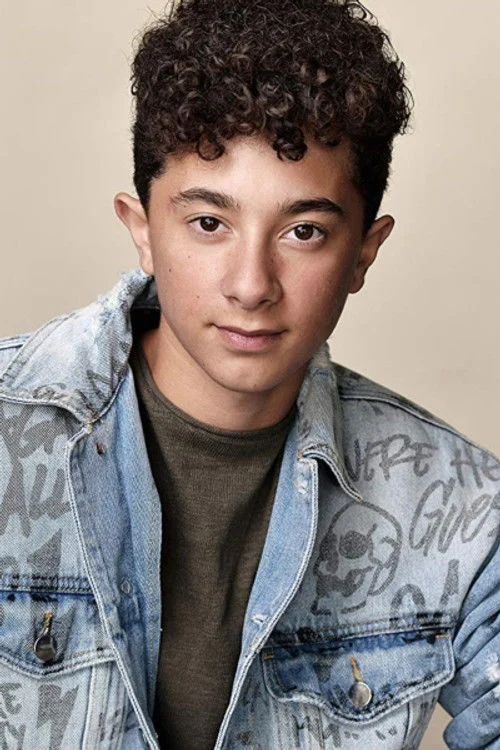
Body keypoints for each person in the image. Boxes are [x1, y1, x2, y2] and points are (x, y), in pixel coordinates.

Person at [0, 0, 498, 747]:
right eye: (210, 223)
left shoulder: (460, 507)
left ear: (363, 253)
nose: (251, 285)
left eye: (304, 231)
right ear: (142, 229)